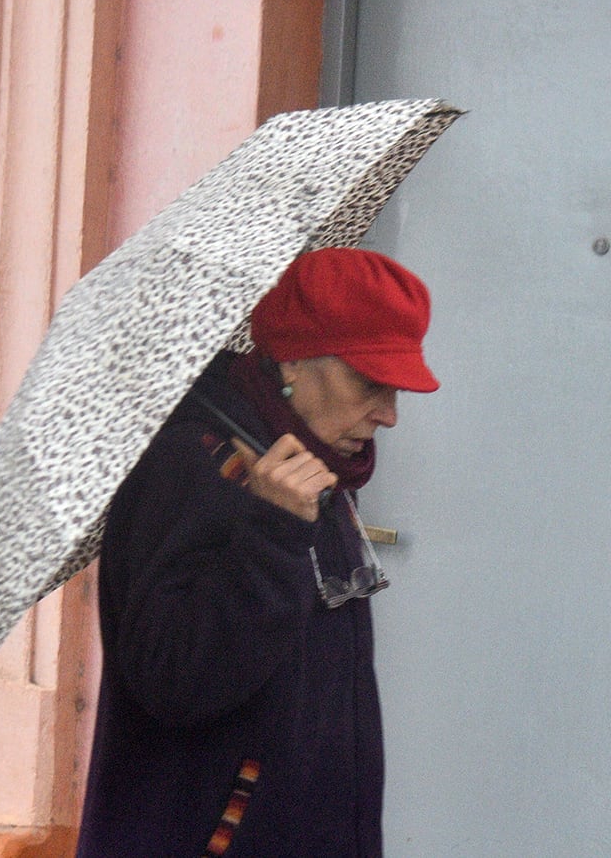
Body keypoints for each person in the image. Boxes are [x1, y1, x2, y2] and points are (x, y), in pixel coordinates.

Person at [76, 247, 440, 857]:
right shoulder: (193, 467)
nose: (390, 415)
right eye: (371, 382)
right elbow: (173, 681)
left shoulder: (306, 469)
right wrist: (270, 534)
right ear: (294, 355)